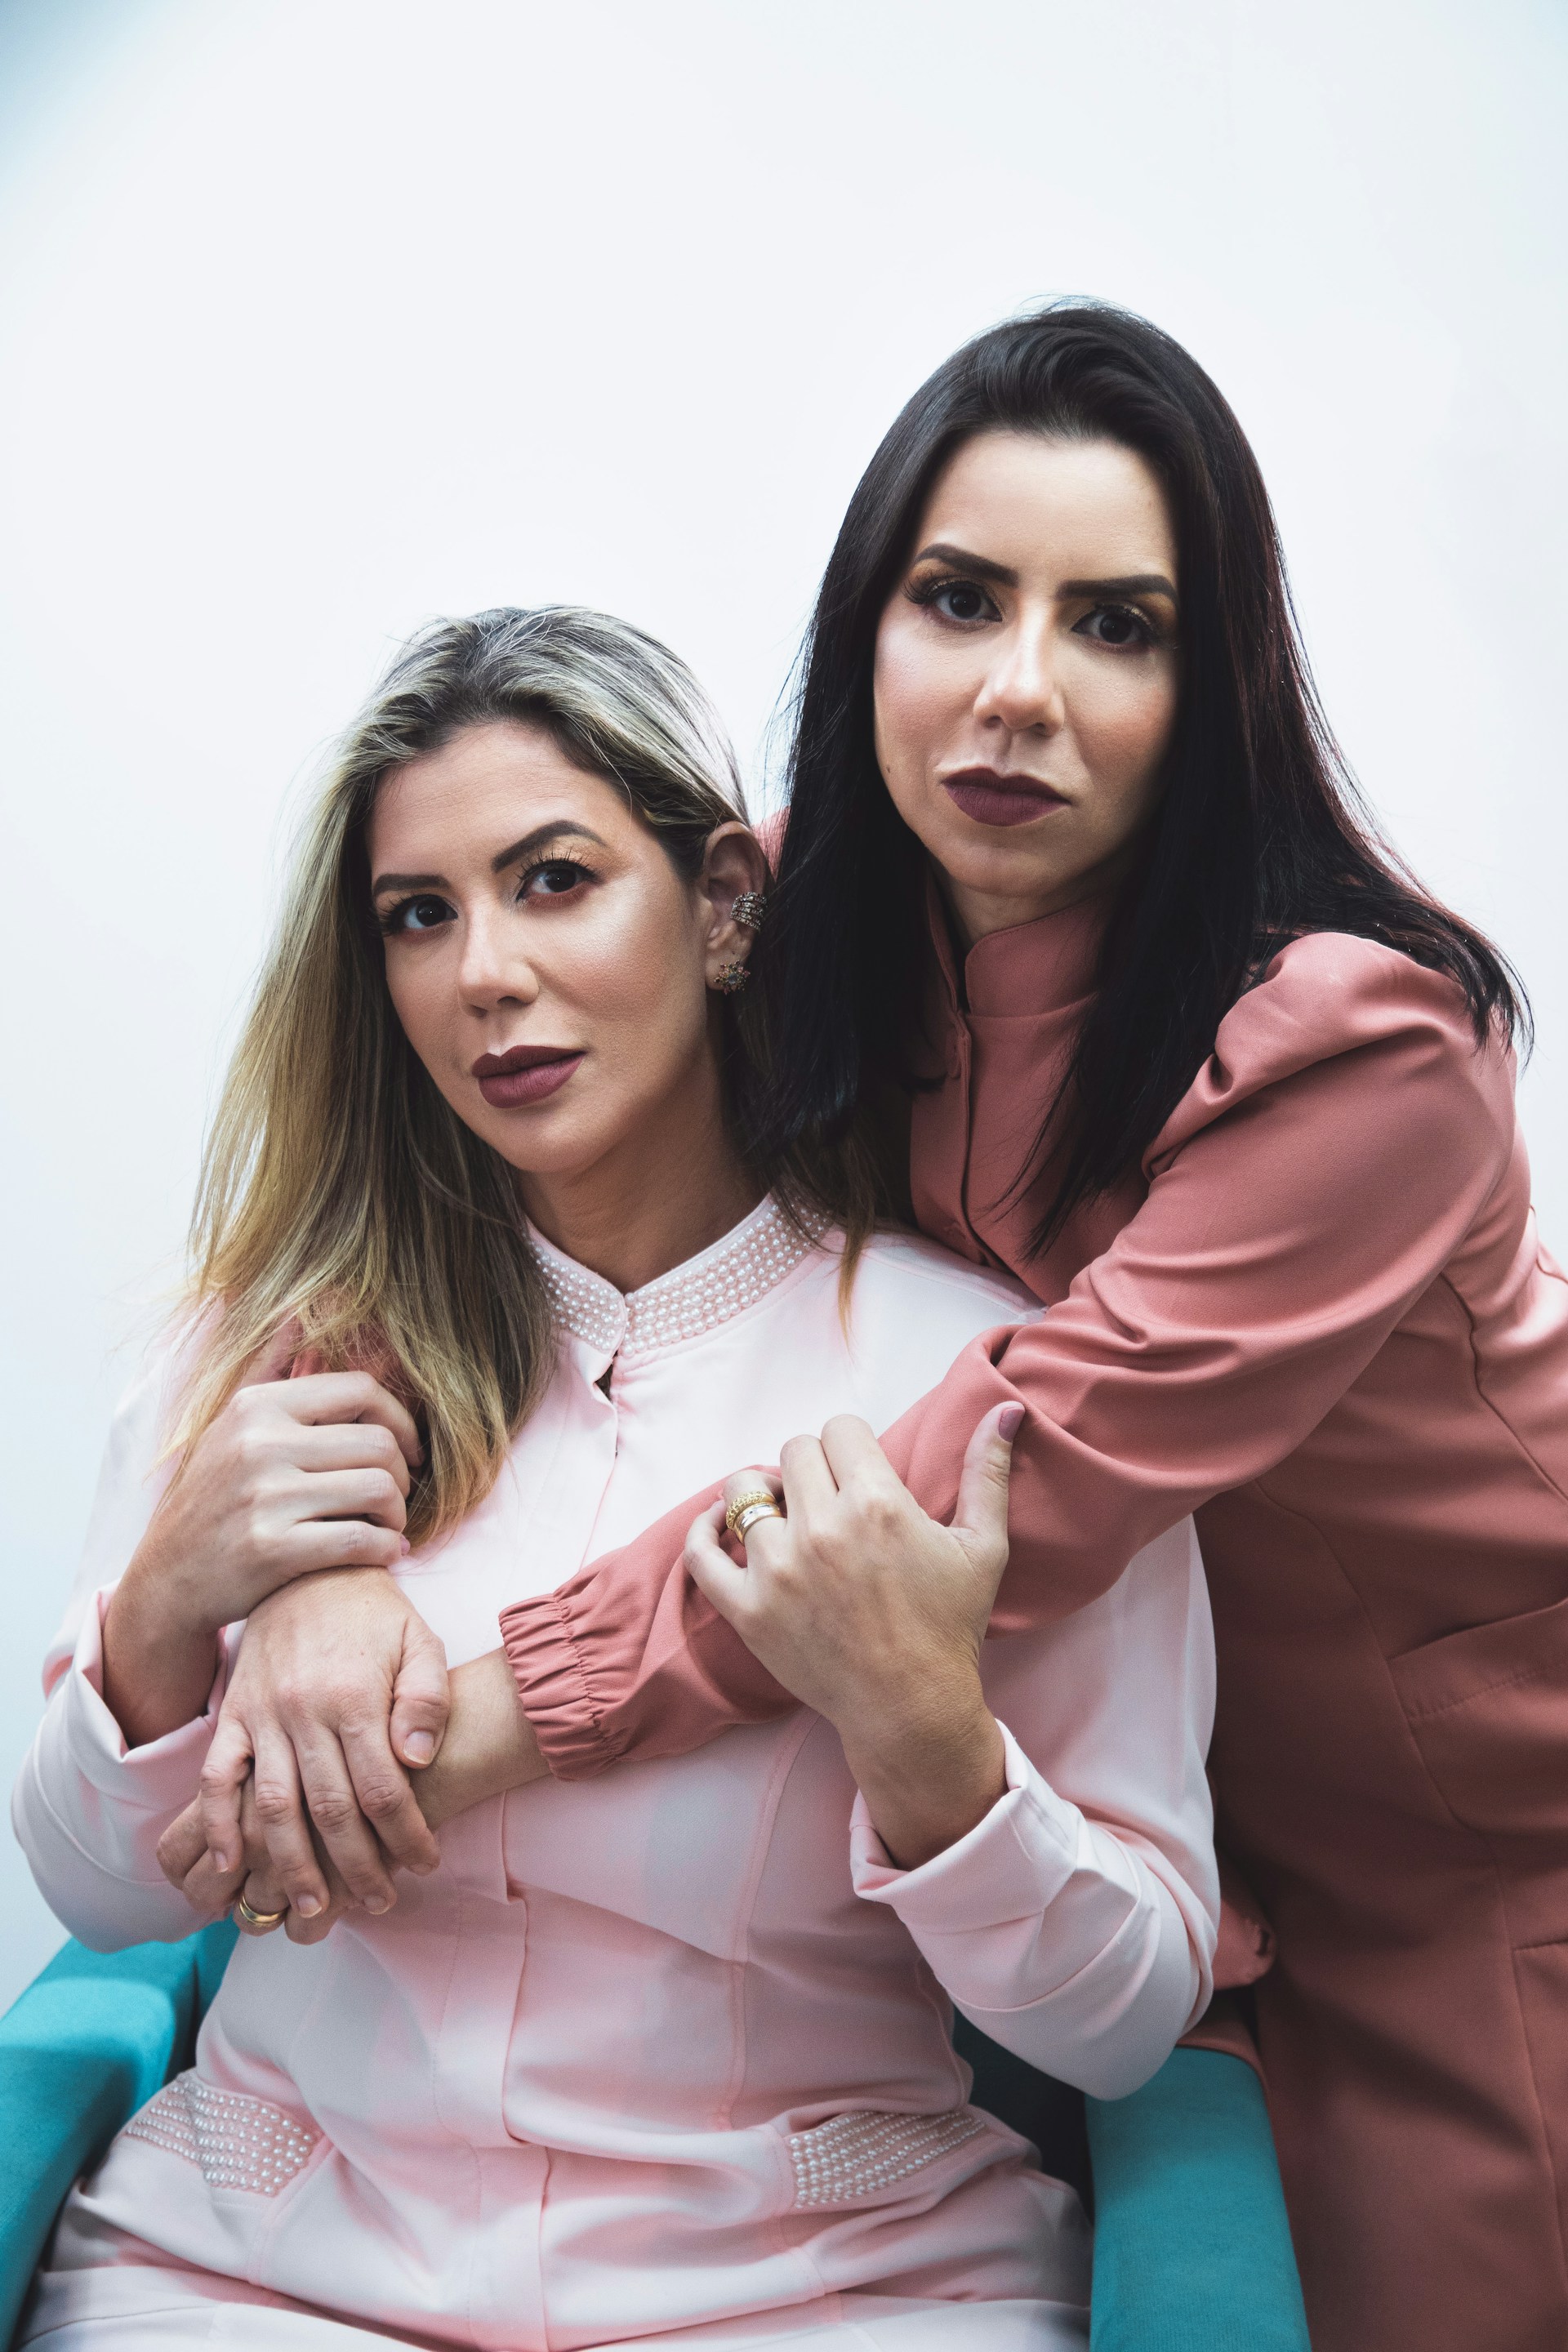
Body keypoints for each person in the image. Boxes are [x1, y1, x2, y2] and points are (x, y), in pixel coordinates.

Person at [170, 306, 1568, 2352]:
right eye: (959, 597)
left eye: (1118, 624)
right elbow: (465, 1170)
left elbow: (964, 1490)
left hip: (1469, 1840)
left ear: (1215, 684)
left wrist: (439, 1735)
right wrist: (316, 1563)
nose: (1018, 691)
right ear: (868, 625)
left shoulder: (1361, 1048)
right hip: (1133, 1796)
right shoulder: (819, 924)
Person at [13, 606, 1219, 2351]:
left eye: (555, 880)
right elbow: (102, 1895)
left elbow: (1122, 2023)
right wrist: (167, 1609)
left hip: (830, 2293)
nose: (481, 971)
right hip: (258, 2275)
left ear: (725, 901)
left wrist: (922, 1738)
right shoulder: (254, 1359)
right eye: (418, 916)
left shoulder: (980, 1381)